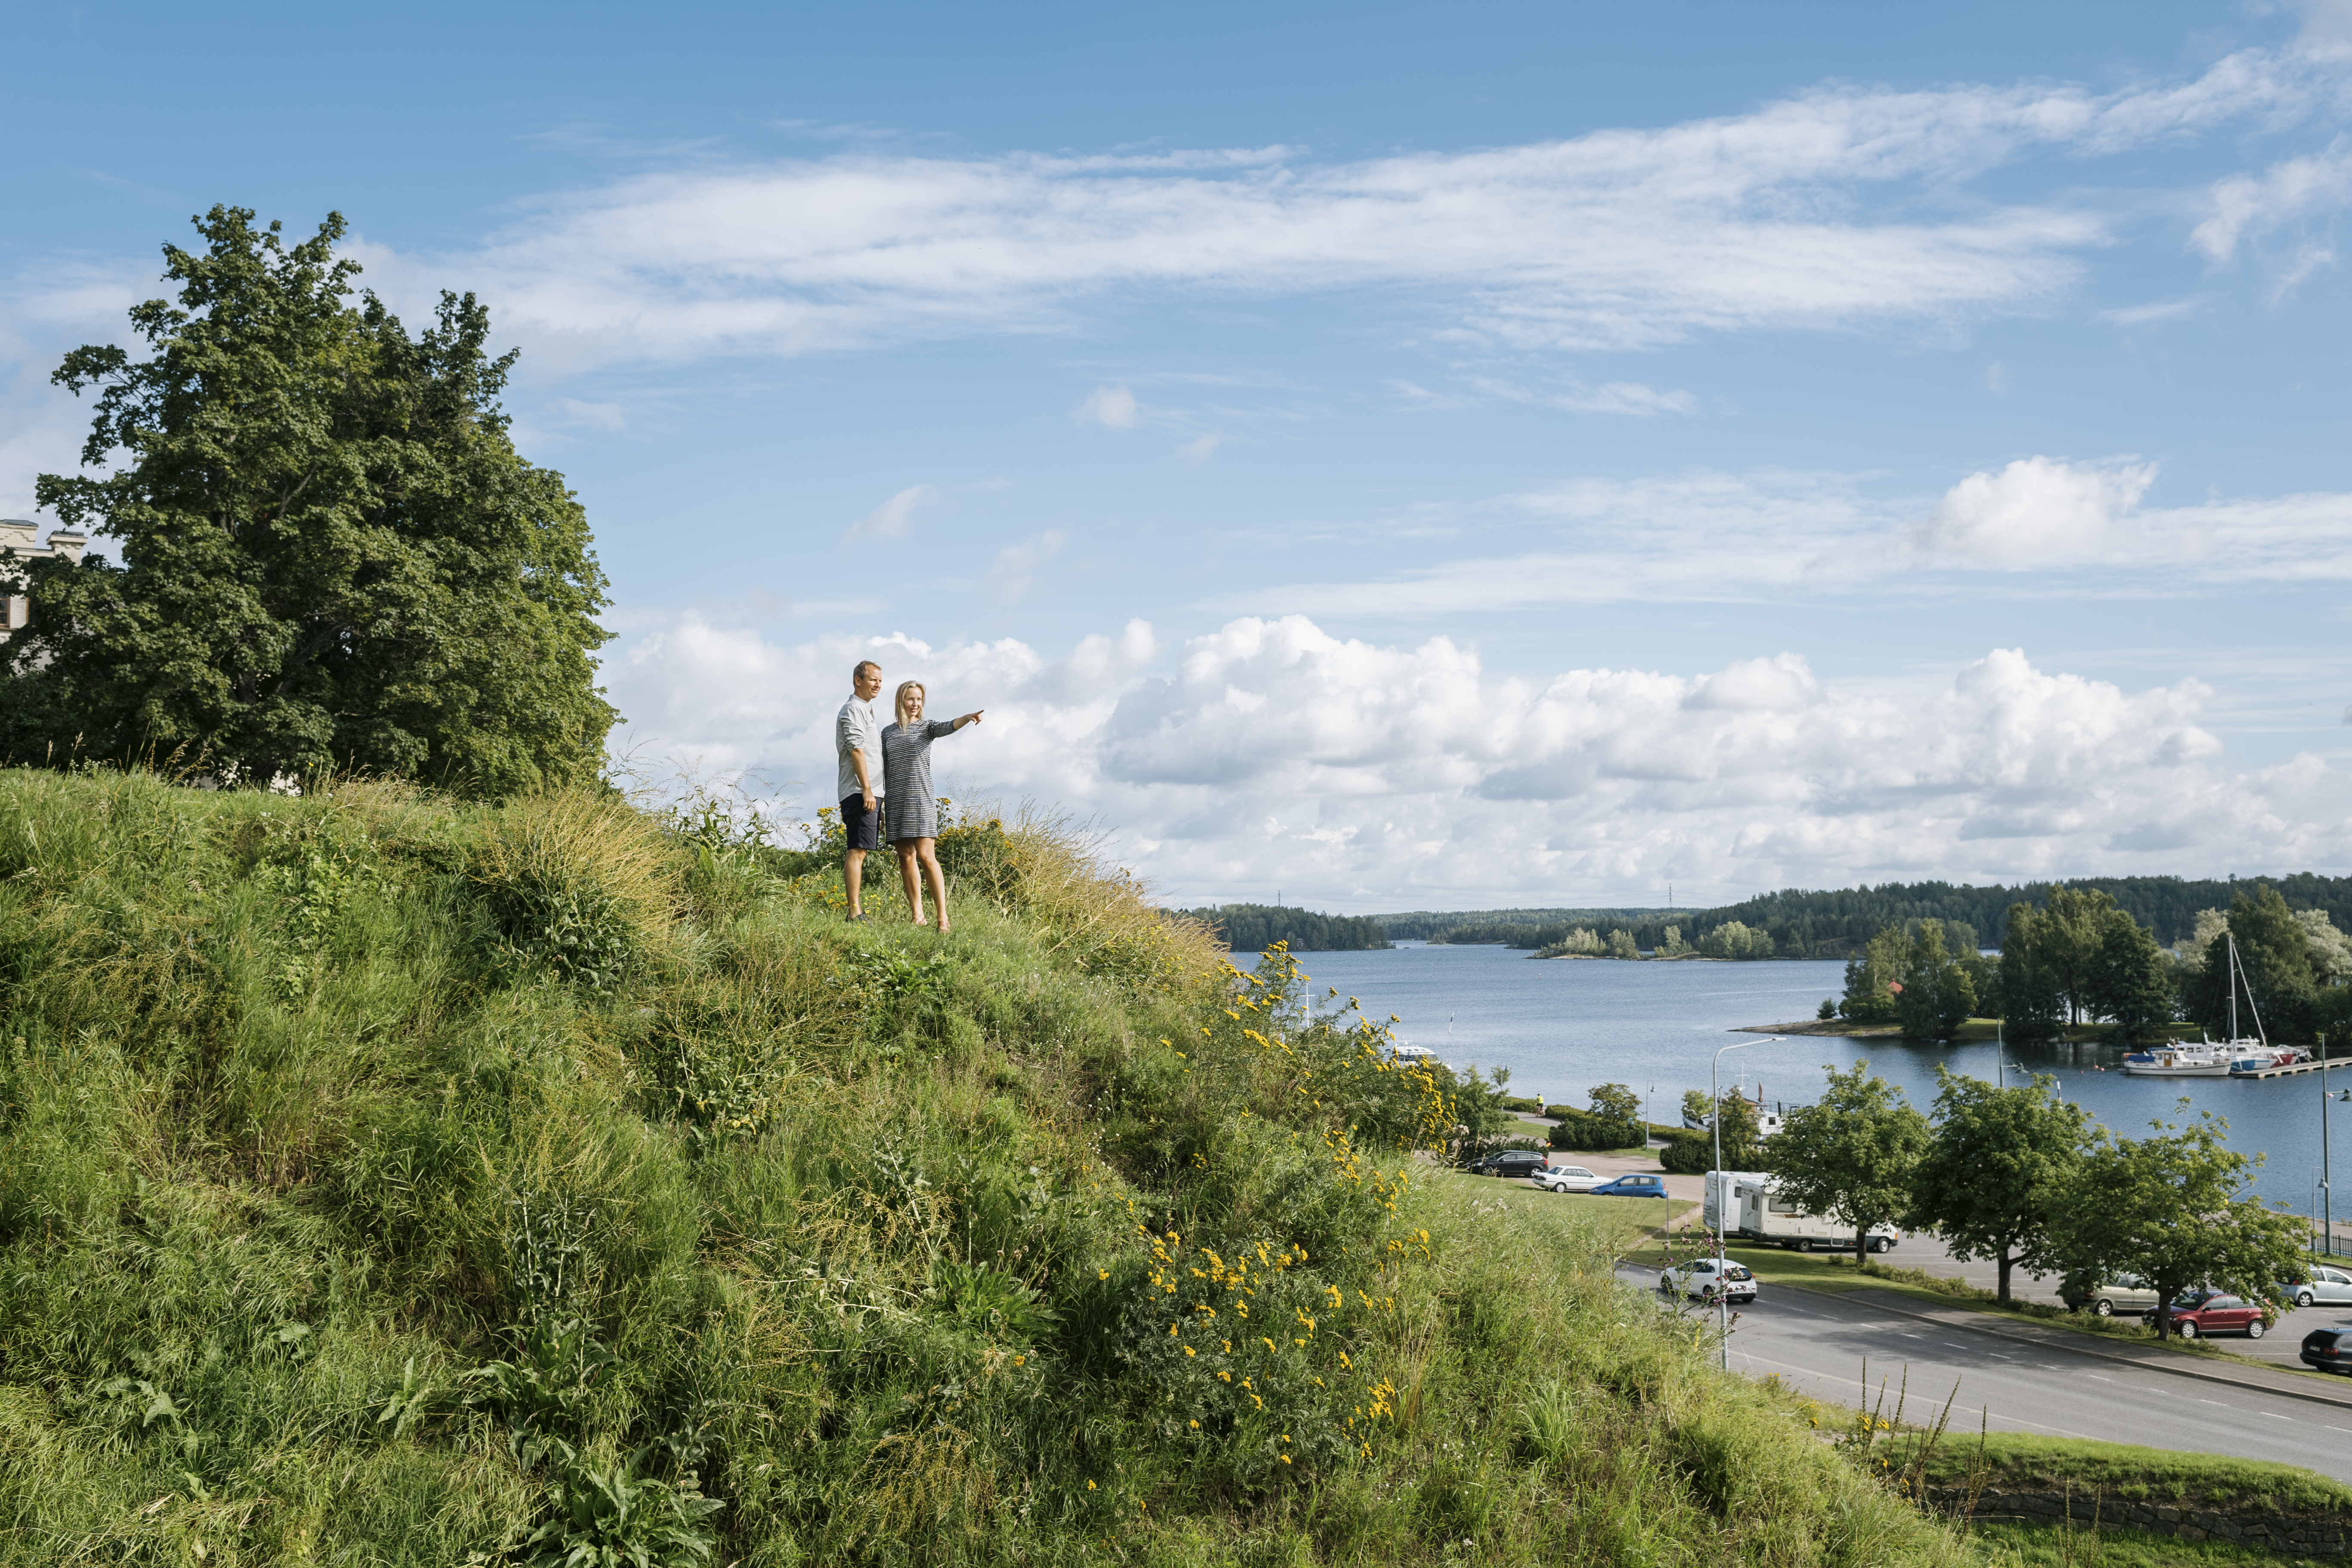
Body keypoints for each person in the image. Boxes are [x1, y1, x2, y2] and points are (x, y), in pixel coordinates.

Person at [879, 680, 983, 932]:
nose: (915, 704)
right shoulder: (887, 733)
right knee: (905, 857)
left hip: (921, 798)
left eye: (919, 700)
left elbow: (948, 726)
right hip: (895, 799)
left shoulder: (927, 728)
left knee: (927, 857)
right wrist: (880, 805)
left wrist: (967, 718)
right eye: (910, 699)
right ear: (900, 701)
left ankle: (942, 918)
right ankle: (917, 915)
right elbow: (882, 769)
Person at [834, 660, 885, 921]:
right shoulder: (854, 709)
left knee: (862, 849)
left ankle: (856, 911)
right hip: (858, 790)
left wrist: (877, 795)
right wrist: (867, 790)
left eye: (880, 680)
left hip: (870, 791)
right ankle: (854, 912)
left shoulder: (866, 710)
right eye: (873, 679)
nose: (878, 684)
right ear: (858, 680)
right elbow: (856, 749)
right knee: (857, 849)